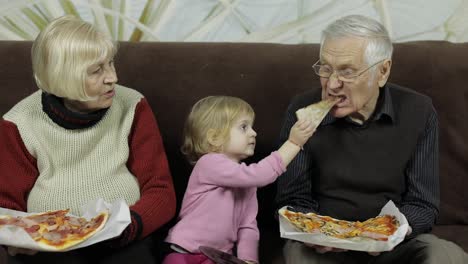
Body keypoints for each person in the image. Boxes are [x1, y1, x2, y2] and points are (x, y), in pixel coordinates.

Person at [275, 15, 468, 264]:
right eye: (325, 68)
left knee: (443, 255)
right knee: (297, 254)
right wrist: (320, 235)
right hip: (325, 247)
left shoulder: (418, 111)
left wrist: (386, 233)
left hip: (393, 245)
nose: (332, 84)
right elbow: (292, 201)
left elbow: (422, 205)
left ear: (382, 71)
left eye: (347, 71)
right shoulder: (302, 110)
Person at [0, 16, 176, 263]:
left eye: (111, 63)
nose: (112, 77)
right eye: (96, 70)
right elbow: (6, 205)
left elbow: (161, 191)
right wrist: (16, 238)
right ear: (63, 76)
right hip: (51, 246)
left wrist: (130, 227)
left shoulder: (133, 105)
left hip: (125, 238)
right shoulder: (18, 122)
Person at [162, 96, 315, 264]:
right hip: (184, 251)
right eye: (244, 127)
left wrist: (248, 260)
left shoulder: (246, 182)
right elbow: (260, 175)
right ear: (214, 138)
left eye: (252, 126)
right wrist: (293, 143)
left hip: (216, 257)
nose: (254, 132)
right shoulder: (209, 163)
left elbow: (247, 226)